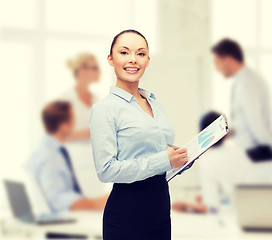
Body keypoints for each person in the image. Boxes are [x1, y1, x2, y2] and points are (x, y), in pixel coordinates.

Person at [89, 29, 189, 240]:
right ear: (110, 59)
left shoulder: (155, 104)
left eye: (140, 54)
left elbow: (157, 155)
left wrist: (177, 159)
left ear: (148, 60)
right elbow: (106, 170)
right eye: (124, 52)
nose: (133, 60)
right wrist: (163, 160)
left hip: (160, 210)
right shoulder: (105, 109)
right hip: (126, 216)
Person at [26, 101, 108, 212]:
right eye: (73, 118)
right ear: (63, 126)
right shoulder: (50, 156)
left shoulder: (48, 150)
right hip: (60, 223)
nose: (75, 122)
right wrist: (96, 203)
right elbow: (58, 199)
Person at [211, 39, 272, 160]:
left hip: (255, 154)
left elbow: (257, 123)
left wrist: (269, 151)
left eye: (217, 63)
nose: (217, 69)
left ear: (228, 60)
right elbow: (246, 121)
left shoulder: (247, 83)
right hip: (249, 152)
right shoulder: (243, 81)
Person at [61, 53, 109, 197]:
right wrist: (90, 132)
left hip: (94, 166)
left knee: (95, 210)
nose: (99, 72)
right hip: (75, 166)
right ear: (82, 71)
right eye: (95, 68)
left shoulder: (96, 99)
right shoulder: (66, 100)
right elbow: (60, 136)